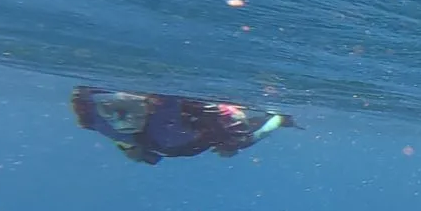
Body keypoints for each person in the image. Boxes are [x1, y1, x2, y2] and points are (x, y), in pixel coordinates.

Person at [69, 85, 298, 165]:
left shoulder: (212, 131)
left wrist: (280, 119)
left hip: (169, 136)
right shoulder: (166, 137)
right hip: (161, 137)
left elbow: (166, 101)